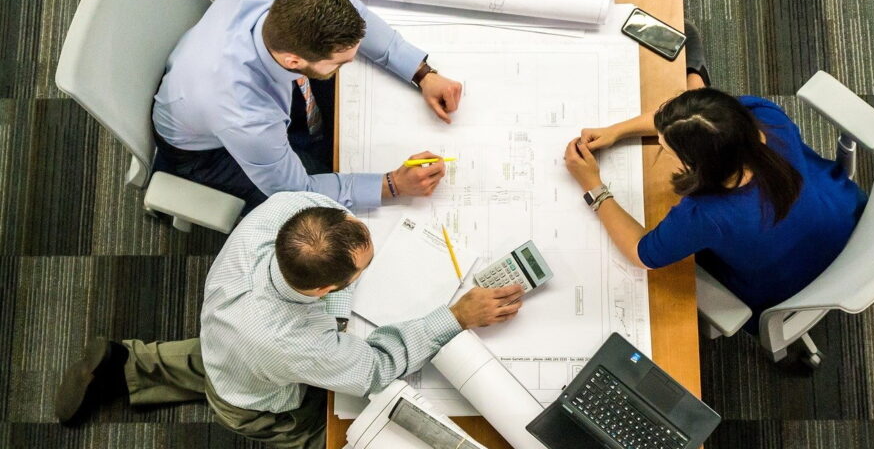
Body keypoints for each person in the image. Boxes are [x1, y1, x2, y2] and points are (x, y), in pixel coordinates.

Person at [55, 192, 524, 447]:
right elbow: (377, 367)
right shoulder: (295, 343)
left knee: (222, 357)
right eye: (362, 271)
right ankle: (137, 373)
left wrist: (337, 313)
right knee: (334, 431)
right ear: (322, 290)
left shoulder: (285, 210)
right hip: (255, 400)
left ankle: (126, 364)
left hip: (227, 334)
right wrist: (455, 316)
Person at [563, 23, 866, 332]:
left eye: (666, 148)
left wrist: (593, 186)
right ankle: (696, 74)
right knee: (688, 43)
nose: (661, 148)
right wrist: (617, 131)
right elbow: (689, 121)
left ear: (699, 166)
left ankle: (695, 73)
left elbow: (643, 254)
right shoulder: (764, 116)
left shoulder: (707, 215)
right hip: (846, 216)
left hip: (789, 286)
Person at [153, 0, 465, 213]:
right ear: (293, 60)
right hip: (206, 152)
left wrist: (421, 73)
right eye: (341, 62)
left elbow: (360, 18)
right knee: (322, 208)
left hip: (209, 79)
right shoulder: (245, 114)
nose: (351, 61)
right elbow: (296, 191)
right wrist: (393, 185)